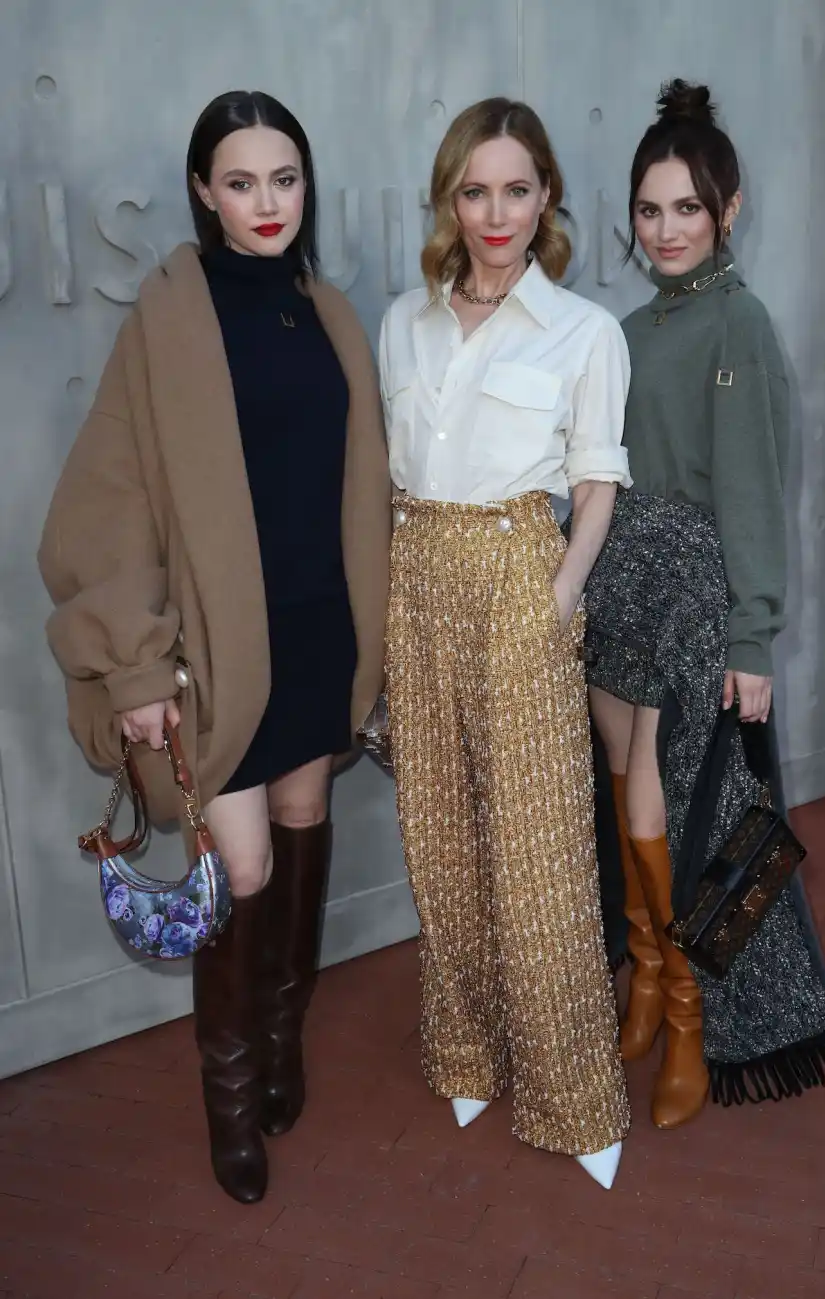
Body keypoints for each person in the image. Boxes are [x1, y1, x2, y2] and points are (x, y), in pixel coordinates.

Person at [38, 90, 391, 1203]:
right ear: (203, 190)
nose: (266, 202)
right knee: (238, 868)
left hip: (318, 630)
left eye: (284, 179)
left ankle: (283, 1040)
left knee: (301, 826)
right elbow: (105, 506)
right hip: (218, 652)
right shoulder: (168, 317)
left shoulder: (327, 310)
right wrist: (136, 666)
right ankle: (230, 1095)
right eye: (240, 182)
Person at [582, 79, 825, 1130]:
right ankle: (647, 971)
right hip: (618, 580)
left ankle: (691, 1007)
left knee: (671, 813)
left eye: (687, 209)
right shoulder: (628, 326)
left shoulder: (740, 325)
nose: (666, 230)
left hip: (697, 589)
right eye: (649, 211)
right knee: (620, 798)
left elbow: (755, 488)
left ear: (728, 209)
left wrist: (755, 633)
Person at [379, 97, 631, 1190]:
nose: (495, 213)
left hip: (521, 570)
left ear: (546, 199)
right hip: (417, 571)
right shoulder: (404, 323)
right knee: (439, 829)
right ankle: (469, 1050)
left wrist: (561, 596)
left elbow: (596, 478)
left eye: (516, 190)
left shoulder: (585, 330)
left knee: (540, 849)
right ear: (448, 197)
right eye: (474, 190)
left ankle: (574, 1095)